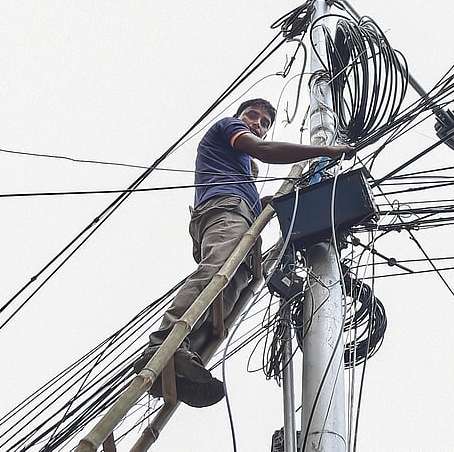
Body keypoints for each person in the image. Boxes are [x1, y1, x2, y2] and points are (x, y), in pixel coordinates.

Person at [134, 98, 352, 407]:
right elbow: (264, 151)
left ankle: (181, 366)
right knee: (217, 272)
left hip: (240, 219)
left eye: (264, 123)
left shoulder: (243, 172)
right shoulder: (228, 128)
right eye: (253, 116)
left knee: (231, 286)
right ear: (238, 117)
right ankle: (163, 345)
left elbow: (257, 161)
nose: (258, 125)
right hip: (225, 212)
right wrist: (325, 151)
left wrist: (268, 204)